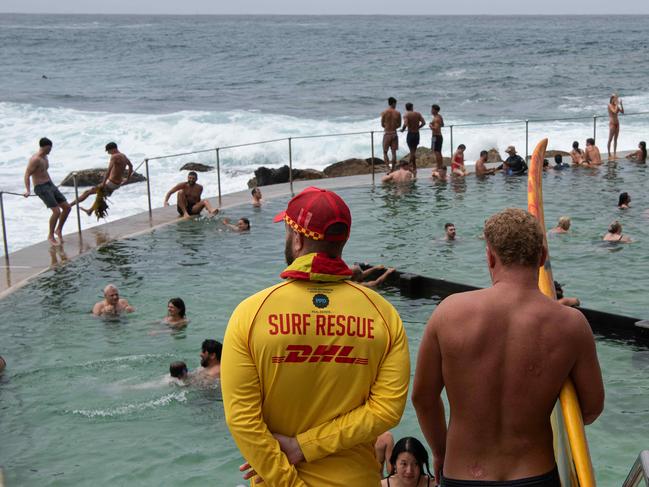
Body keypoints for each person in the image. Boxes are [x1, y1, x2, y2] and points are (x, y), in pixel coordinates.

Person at [221, 186, 409, 486]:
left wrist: (289, 478)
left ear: (297, 239)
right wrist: (306, 446)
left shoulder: (251, 314)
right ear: (342, 240)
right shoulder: (383, 315)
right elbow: (386, 409)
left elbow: (242, 420)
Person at [412, 208, 604, 485]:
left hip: (462, 473)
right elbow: (591, 409)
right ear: (542, 257)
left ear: (490, 256)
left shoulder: (449, 312)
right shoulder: (571, 324)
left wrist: (441, 451)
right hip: (535, 474)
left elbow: (423, 398)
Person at [23, 137, 71, 246]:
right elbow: (27, 174)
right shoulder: (35, 159)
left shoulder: (45, 158)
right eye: (49, 148)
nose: (50, 150)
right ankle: (50, 235)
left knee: (67, 207)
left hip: (50, 184)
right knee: (56, 211)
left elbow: (45, 171)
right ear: (44, 147)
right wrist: (28, 190)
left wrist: (53, 185)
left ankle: (58, 230)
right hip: (41, 187)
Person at [71, 142, 134, 216]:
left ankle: (70, 205)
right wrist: (128, 178)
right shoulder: (124, 156)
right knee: (100, 195)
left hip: (111, 183)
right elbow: (131, 166)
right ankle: (90, 211)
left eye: (108, 151)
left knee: (87, 192)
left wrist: (103, 183)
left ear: (113, 149)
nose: (108, 153)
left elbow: (108, 171)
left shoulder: (114, 156)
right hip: (117, 184)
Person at [401, 103, 426, 174]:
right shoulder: (417, 114)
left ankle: (408, 166)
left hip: (410, 134)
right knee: (413, 151)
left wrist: (402, 129)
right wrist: (418, 127)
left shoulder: (406, 115)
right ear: (412, 107)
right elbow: (424, 123)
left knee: (412, 152)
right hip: (417, 134)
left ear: (406, 108)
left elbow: (405, 124)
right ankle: (414, 167)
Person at [381, 97, 402, 172]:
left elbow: (382, 124)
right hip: (394, 133)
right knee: (394, 153)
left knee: (385, 152)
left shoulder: (384, 112)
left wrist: (387, 127)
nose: (396, 105)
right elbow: (399, 125)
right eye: (395, 103)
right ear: (393, 103)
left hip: (387, 134)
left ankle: (387, 168)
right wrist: (394, 126)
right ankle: (393, 169)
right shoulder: (397, 113)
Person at [429, 104, 446, 181]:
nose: (431, 111)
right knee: (438, 152)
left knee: (437, 152)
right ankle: (439, 166)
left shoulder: (436, 118)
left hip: (436, 136)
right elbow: (442, 125)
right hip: (439, 136)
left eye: (432, 109)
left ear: (435, 110)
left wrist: (430, 126)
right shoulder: (439, 116)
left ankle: (439, 167)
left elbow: (435, 128)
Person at [607, 94, 624, 160]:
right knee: (610, 139)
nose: (616, 99)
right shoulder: (609, 105)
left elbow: (622, 112)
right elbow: (614, 111)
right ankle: (609, 154)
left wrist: (621, 104)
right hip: (612, 123)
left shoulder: (616, 106)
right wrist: (617, 104)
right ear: (612, 99)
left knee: (615, 139)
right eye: (615, 98)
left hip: (617, 123)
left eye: (617, 98)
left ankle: (614, 154)